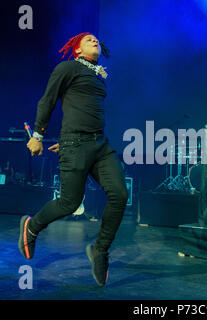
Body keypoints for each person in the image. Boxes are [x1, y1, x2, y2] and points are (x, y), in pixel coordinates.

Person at [19, 32, 128, 287]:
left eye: (97, 40)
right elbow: (48, 100)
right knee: (70, 203)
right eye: (89, 39)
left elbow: (82, 108)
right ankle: (31, 228)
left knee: (120, 194)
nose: (96, 41)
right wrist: (38, 135)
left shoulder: (99, 76)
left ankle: (100, 249)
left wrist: (69, 137)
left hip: (100, 144)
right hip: (76, 144)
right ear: (77, 49)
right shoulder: (67, 67)